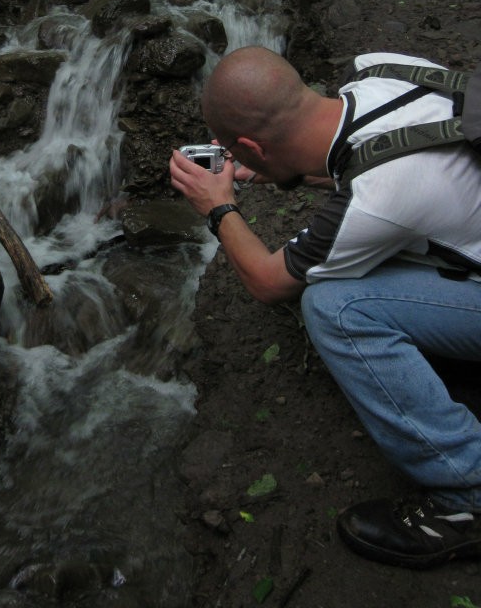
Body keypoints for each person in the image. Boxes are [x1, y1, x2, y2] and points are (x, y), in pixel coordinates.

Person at [169, 45, 481, 570]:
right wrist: (274, 168)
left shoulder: (377, 198)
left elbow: (269, 283)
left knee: (335, 306)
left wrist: (217, 207)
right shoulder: (379, 67)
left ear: (250, 146)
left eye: (240, 155)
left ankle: (467, 490)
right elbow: (367, 151)